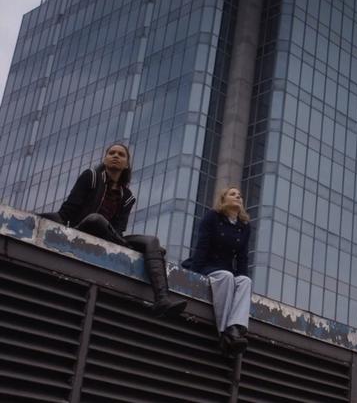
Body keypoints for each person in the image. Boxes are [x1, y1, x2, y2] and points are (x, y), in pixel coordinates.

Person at [41, 143, 187, 317]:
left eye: (121, 154)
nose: (115, 156)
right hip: (83, 230)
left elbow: (119, 229)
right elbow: (66, 212)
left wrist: (124, 242)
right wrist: (39, 219)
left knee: (152, 241)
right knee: (96, 219)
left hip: (112, 237)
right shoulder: (91, 177)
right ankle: (132, 249)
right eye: (111, 153)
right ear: (105, 159)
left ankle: (162, 299)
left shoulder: (127, 196)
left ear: (126, 164)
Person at [189, 187, 252, 356]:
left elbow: (242, 258)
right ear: (223, 200)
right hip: (208, 266)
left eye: (240, 195)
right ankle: (224, 334)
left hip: (228, 271)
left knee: (245, 281)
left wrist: (242, 276)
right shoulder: (212, 218)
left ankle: (235, 329)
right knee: (227, 276)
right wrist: (194, 275)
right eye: (233, 194)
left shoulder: (244, 227)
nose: (238, 196)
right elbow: (201, 247)